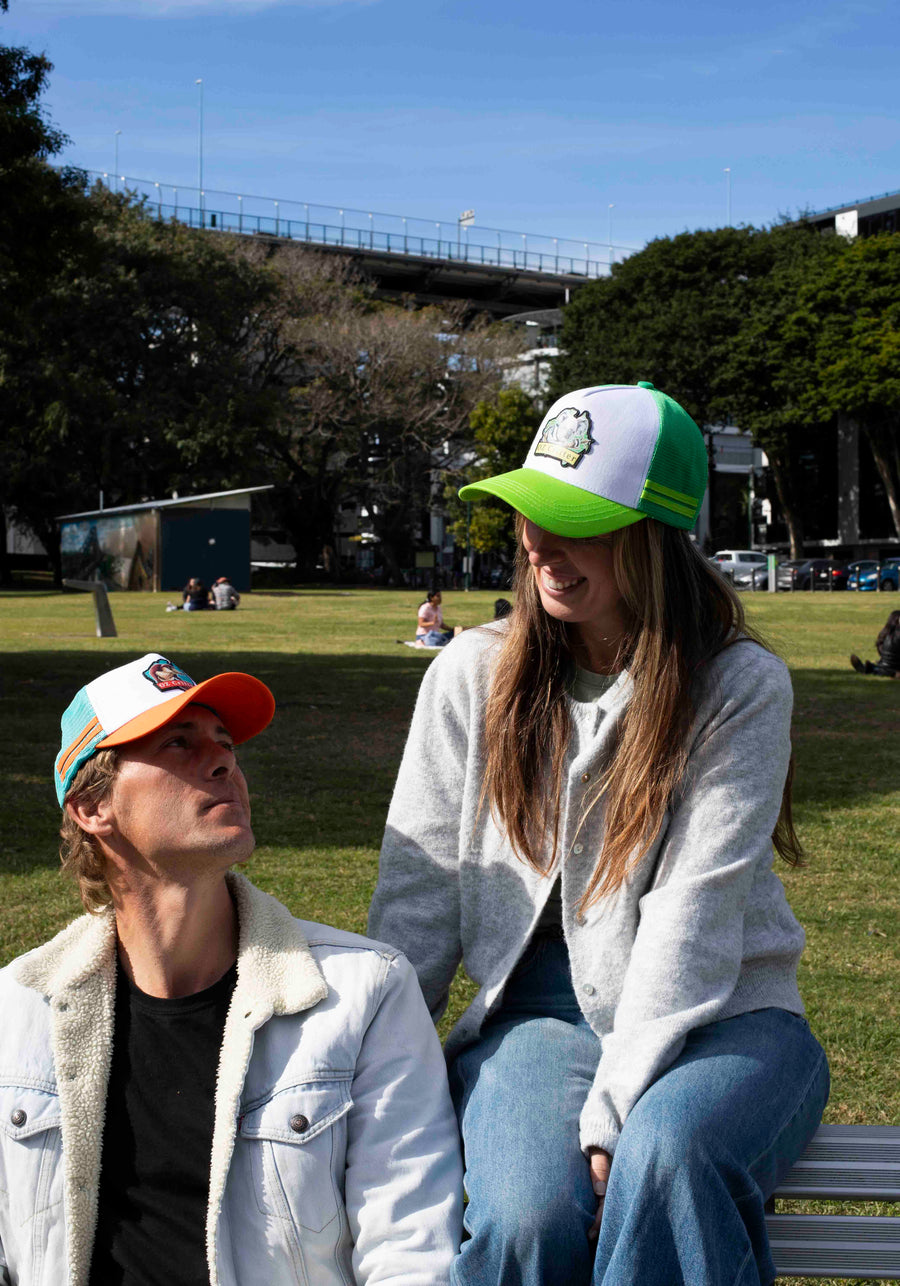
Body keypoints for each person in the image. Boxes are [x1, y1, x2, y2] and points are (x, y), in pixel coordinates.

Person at [370, 382, 829, 1286]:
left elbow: (693, 918)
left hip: (729, 1013)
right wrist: (366, 1072)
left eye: (573, 520)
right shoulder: (472, 672)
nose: (538, 543)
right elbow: (415, 900)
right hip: (533, 1014)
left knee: (666, 1160)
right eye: (529, 514)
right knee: (525, 1215)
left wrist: (615, 1107)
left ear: (653, 535)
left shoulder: (737, 685)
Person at [0, 653, 462, 1285]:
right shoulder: (17, 1011)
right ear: (91, 807)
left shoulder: (363, 995)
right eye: (177, 744)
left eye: (224, 743)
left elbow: (411, 1251)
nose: (223, 762)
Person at [850, 608, 900, 677]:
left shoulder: (885, 633)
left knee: (882, 668)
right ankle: (872, 669)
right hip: (894, 668)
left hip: (884, 665)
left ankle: (871, 668)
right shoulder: (897, 635)